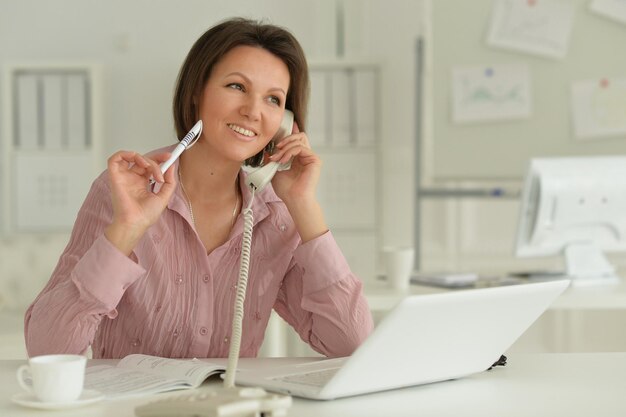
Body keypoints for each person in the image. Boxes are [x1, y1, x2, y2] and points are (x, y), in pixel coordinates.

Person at [24, 17, 374, 359]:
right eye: (237, 86)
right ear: (196, 91)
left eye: (273, 100)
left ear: (286, 123)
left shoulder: (276, 216)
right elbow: (46, 350)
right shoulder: (123, 191)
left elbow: (351, 343)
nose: (253, 111)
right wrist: (127, 230)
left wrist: (304, 206)